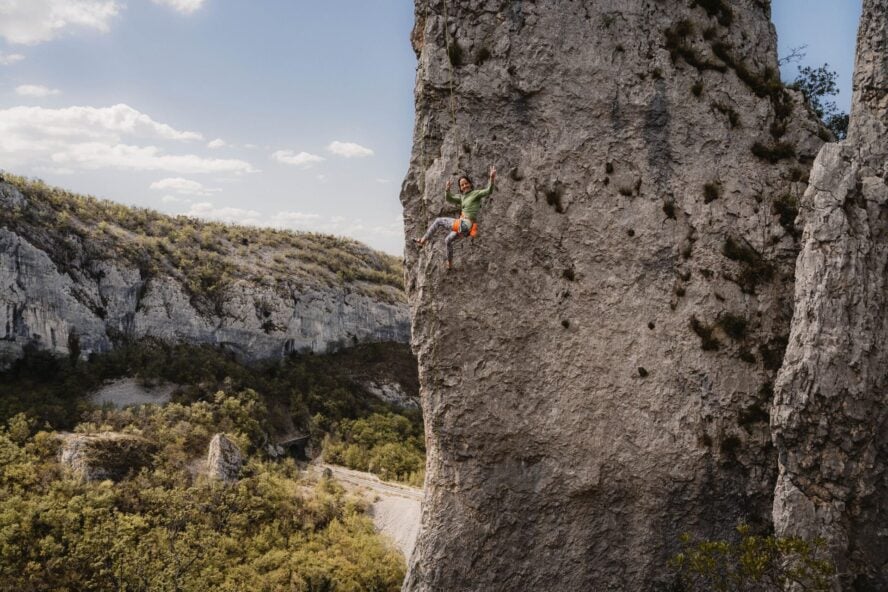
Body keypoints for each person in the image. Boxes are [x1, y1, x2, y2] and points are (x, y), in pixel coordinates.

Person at [414, 165, 496, 269]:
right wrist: (447, 190)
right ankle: (450, 264)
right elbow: (449, 199)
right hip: (463, 229)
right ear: (460, 188)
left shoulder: (476, 194)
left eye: (466, 183)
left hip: (465, 225)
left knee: (439, 221)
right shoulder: (461, 197)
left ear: (470, 184)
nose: (464, 186)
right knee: (447, 240)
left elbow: (488, 191)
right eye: (462, 185)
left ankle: (423, 240)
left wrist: (492, 178)